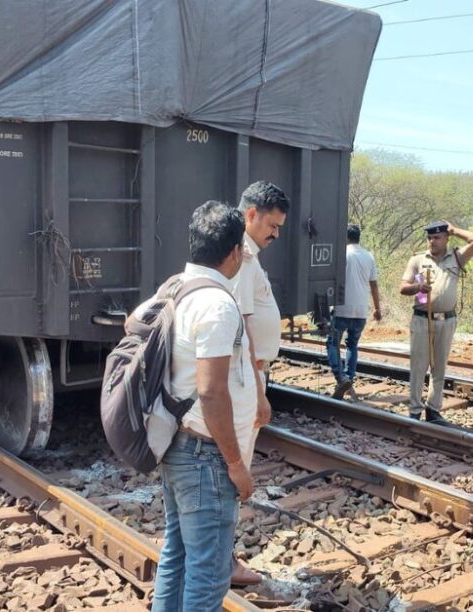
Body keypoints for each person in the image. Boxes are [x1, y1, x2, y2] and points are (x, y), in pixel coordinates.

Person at [152, 201, 256, 612]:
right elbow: (211, 391)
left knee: (177, 557)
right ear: (233, 252)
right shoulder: (216, 303)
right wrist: (235, 463)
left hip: (178, 446)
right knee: (208, 573)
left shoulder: (175, 286)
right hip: (205, 457)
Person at [228, 180, 289, 586]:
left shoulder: (247, 254)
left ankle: (218, 555)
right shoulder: (242, 258)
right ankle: (224, 560)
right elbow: (241, 329)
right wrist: (259, 391)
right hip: (245, 378)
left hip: (249, 374)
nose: (276, 234)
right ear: (251, 215)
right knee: (234, 470)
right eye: (272, 224)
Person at [398, 220, 473, 425]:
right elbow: (403, 287)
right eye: (429, 237)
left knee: (439, 368)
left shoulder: (456, 257)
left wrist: (454, 230)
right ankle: (415, 410)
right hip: (422, 319)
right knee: (419, 366)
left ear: (446, 238)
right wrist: (418, 287)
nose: (432, 241)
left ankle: (433, 410)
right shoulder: (418, 259)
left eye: (437, 237)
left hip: (447, 320)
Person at [329, 224, 381, 399]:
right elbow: (374, 284)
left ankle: (341, 378)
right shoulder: (369, 256)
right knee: (352, 345)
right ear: (358, 237)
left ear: (346, 237)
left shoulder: (342, 254)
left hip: (342, 308)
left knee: (332, 343)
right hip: (361, 311)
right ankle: (349, 379)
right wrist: (377, 308)